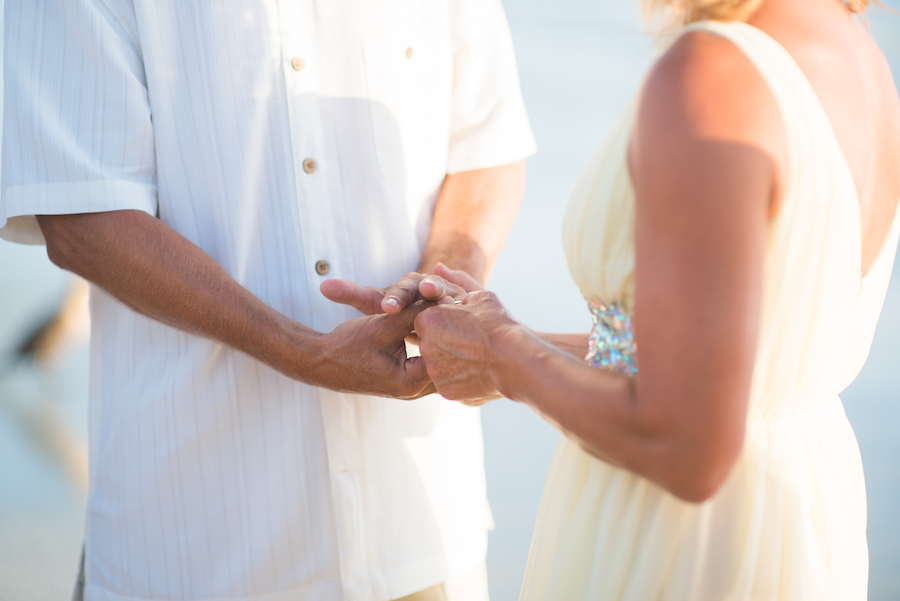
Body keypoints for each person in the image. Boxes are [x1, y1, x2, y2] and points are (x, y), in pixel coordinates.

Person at [0, 1, 536, 600]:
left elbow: (485, 142)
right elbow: (83, 216)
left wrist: (440, 292)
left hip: (421, 529)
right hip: (197, 549)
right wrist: (304, 352)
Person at [389, 0, 900, 597]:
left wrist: (504, 358)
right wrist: (495, 337)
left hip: (684, 548)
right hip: (802, 524)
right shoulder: (855, 50)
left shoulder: (713, 72)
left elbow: (687, 444)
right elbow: (719, 363)